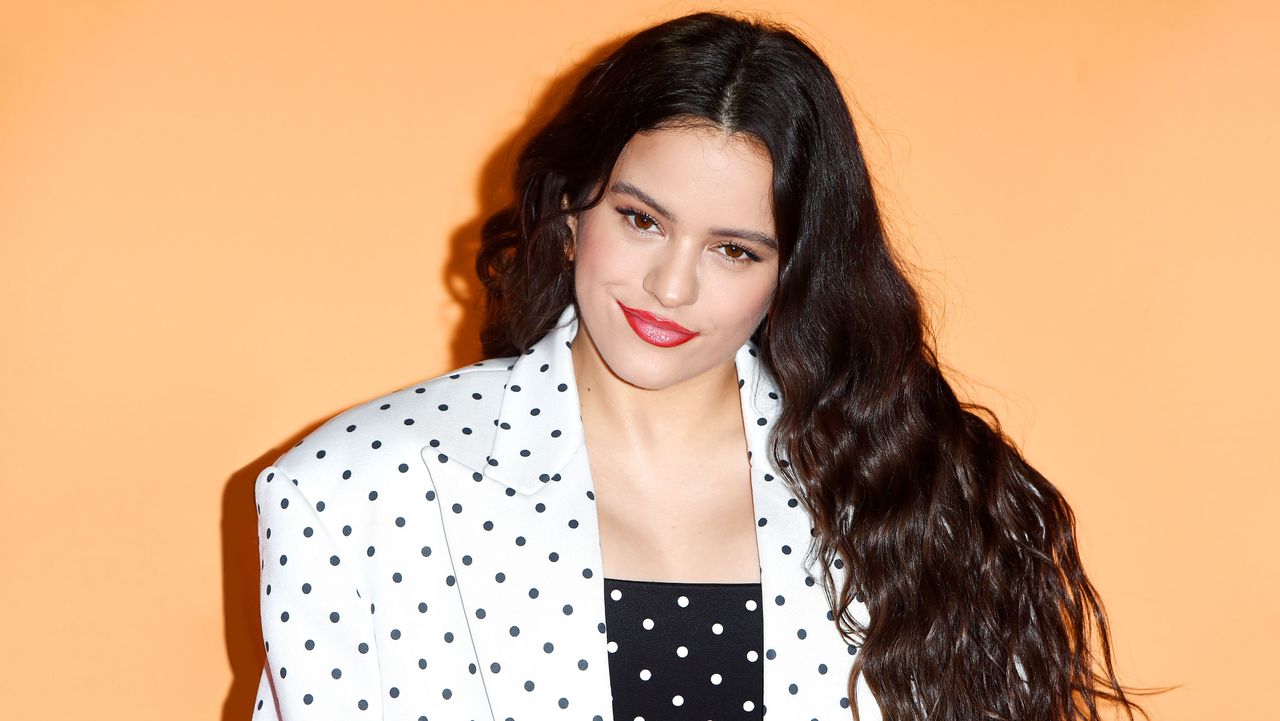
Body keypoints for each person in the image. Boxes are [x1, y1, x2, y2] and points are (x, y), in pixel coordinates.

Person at [251, 10, 1143, 721]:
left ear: (792, 273)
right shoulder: (358, 488)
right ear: (572, 212)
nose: (669, 287)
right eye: (642, 220)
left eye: (734, 250)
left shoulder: (919, 493)